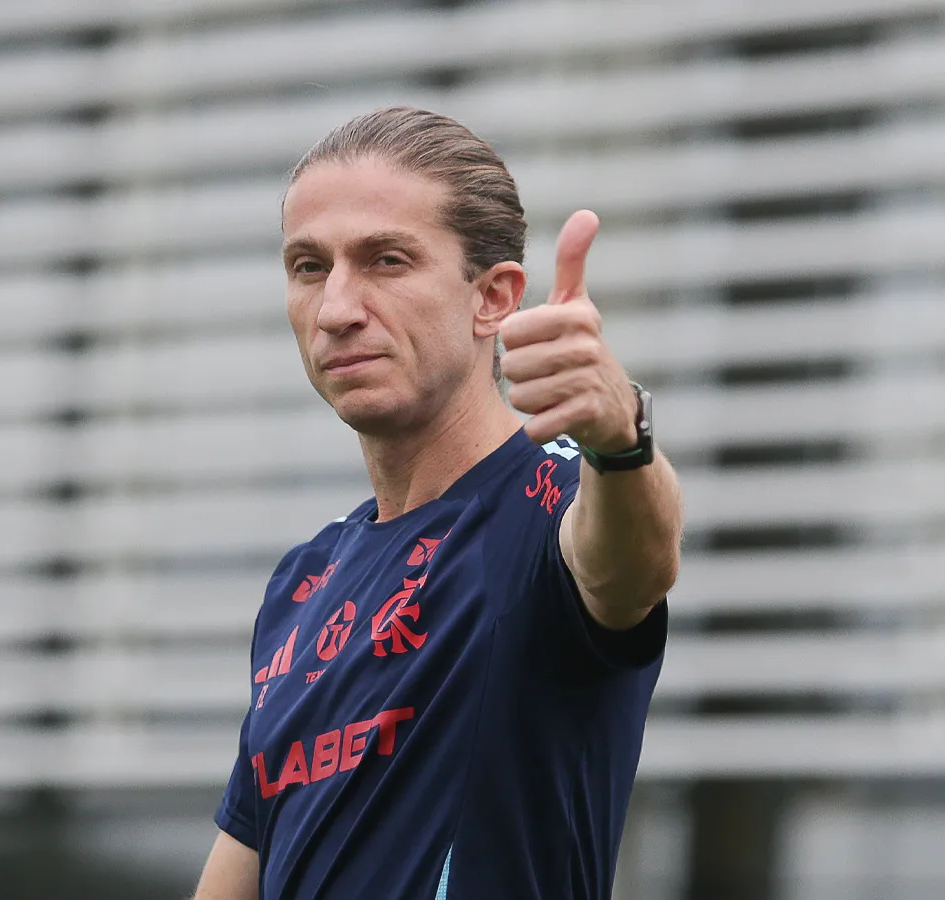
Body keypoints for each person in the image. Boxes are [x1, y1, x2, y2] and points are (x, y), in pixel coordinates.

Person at [192, 106, 683, 900]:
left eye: (385, 260)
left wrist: (621, 437)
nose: (336, 309)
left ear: (494, 298)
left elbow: (635, 564)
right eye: (308, 267)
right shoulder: (304, 580)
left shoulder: (554, 497)